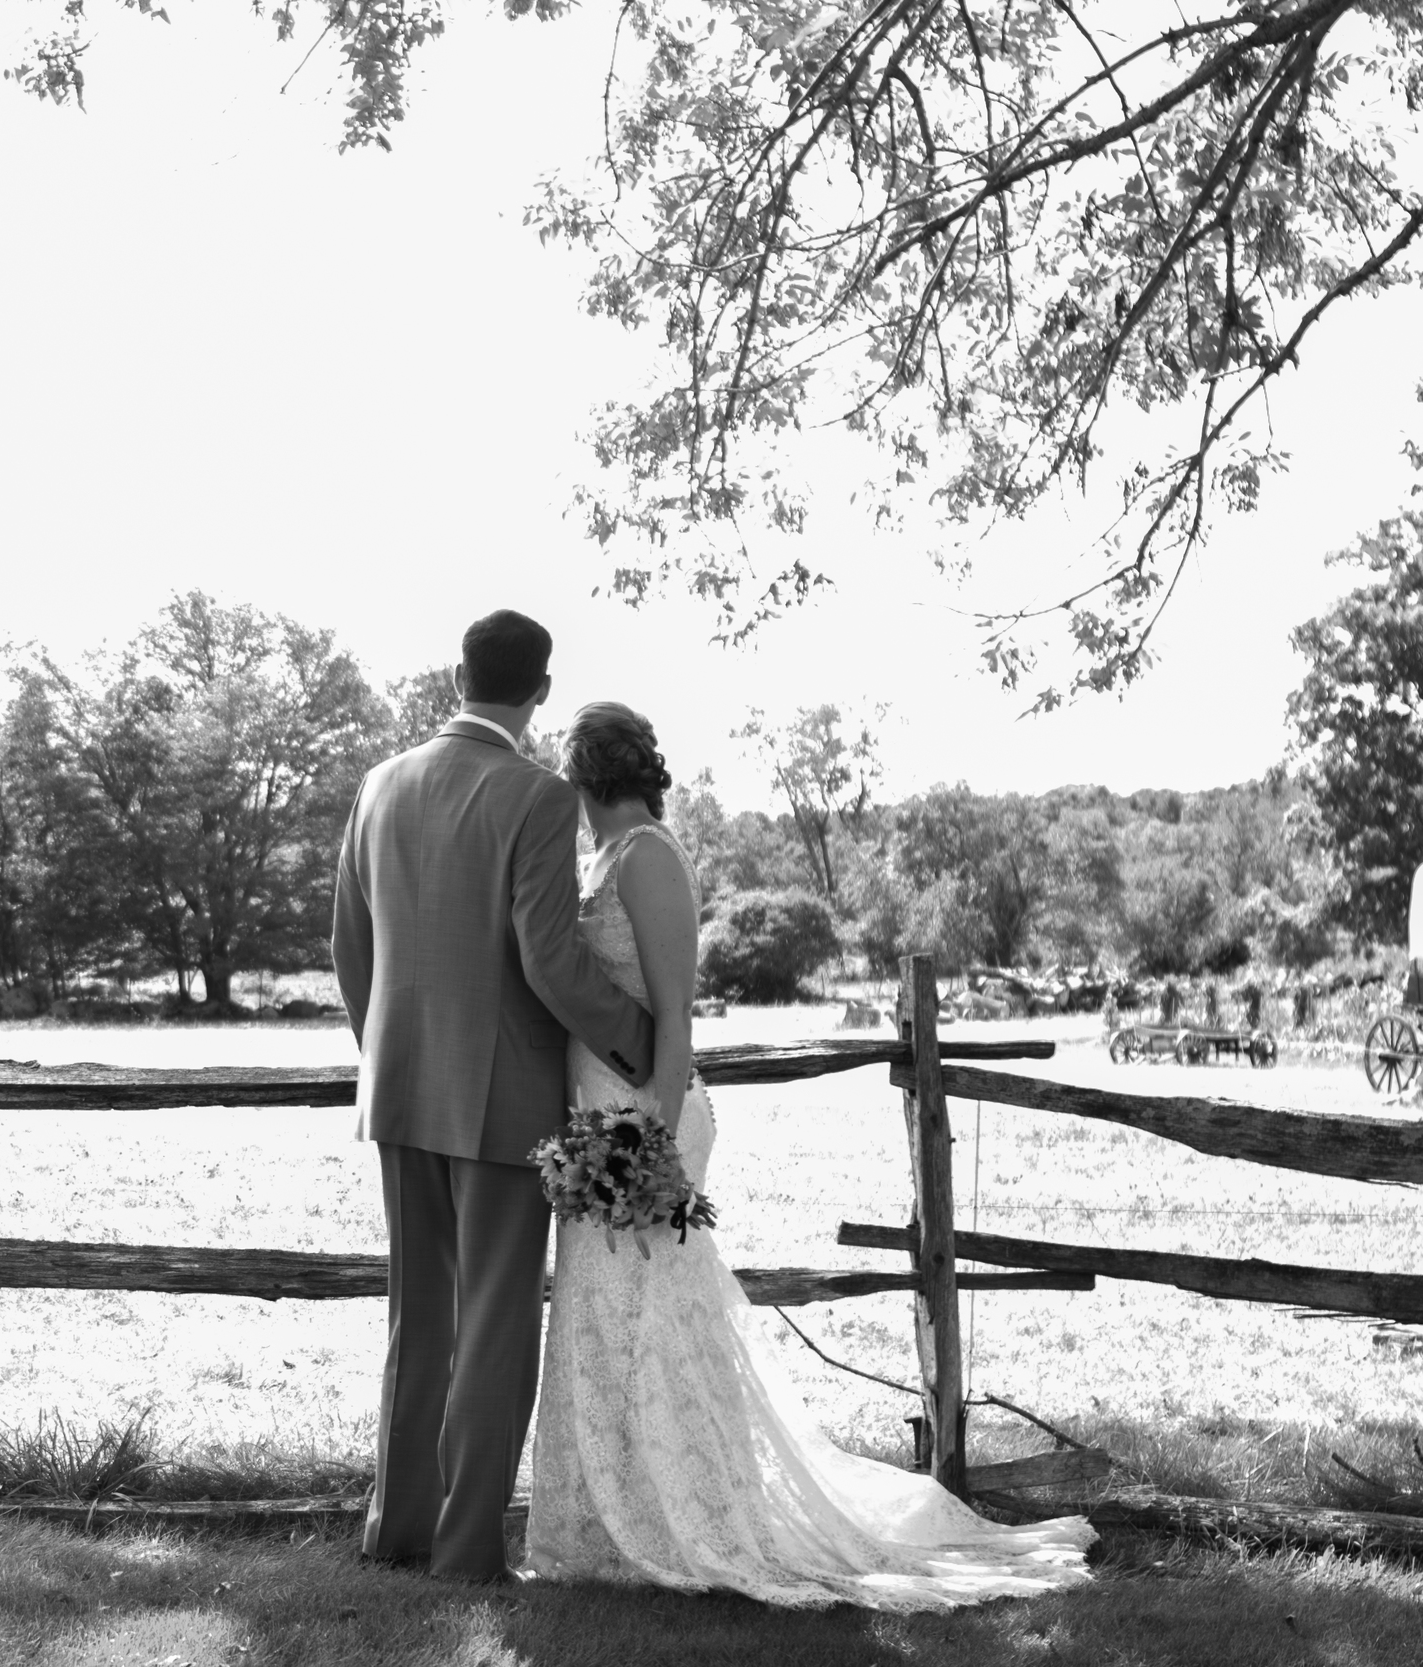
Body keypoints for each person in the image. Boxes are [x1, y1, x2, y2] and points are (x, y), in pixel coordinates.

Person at [523, 702, 1094, 1607]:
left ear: (588, 774)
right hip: (599, 1113)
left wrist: (652, 1144)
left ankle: (699, 1511)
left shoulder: (649, 858)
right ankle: (617, 1518)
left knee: (653, 1311)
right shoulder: (598, 857)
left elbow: (677, 1014)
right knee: (605, 1316)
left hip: (646, 1115)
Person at [330, 610, 656, 1583]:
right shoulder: (534, 794)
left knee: (419, 1316)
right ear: (541, 690)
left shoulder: (378, 782)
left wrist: (388, 1052)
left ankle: (399, 1528)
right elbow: (549, 957)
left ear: (456, 673)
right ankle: (468, 1550)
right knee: (497, 1323)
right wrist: (639, 1039)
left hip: (397, 1094)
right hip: (501, 1100)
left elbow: (351, 947)